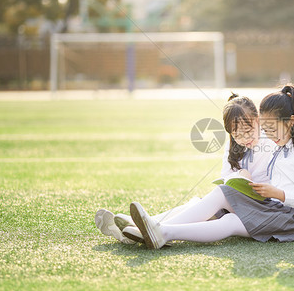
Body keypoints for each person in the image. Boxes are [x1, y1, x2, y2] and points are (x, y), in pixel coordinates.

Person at [130, 84, 294, 249]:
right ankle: (158, 230)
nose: (268, 134)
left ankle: (160, 230)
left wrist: (277, 193)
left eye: (270, 129)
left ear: (292, 122)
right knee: (224, 206)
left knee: (224, 212)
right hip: (278, 209)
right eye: (265, 129)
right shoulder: (280, 146)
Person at [95, 93, 276, 244]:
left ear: (258, 120)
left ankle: (153, 229)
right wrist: (239, 175)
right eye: (237, 135)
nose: (245, 138)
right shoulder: (233, 147)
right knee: (197, 204)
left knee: (216, 201)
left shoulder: (271, 143)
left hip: (257, 206)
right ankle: (141, 227)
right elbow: (226, 177)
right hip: (237, 205)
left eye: (249, 131)